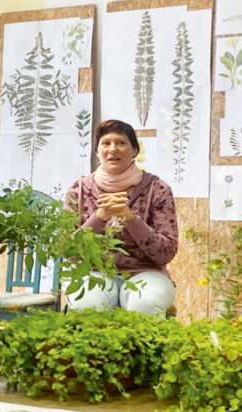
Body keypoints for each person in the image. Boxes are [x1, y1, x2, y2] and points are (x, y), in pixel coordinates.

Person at [64, 119, 178, 316]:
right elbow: (68, 250)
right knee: (87, 306)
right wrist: (99, 218)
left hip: (147, 273)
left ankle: (143, 348)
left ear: (134, 150)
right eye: (106, 143)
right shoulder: (78, 189)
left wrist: (131, 218)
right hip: (94, 273)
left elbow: (166, 252)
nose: (113, 149)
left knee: (145, 305)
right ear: (97, 151)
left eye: (121, 143)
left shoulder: (157, 189)